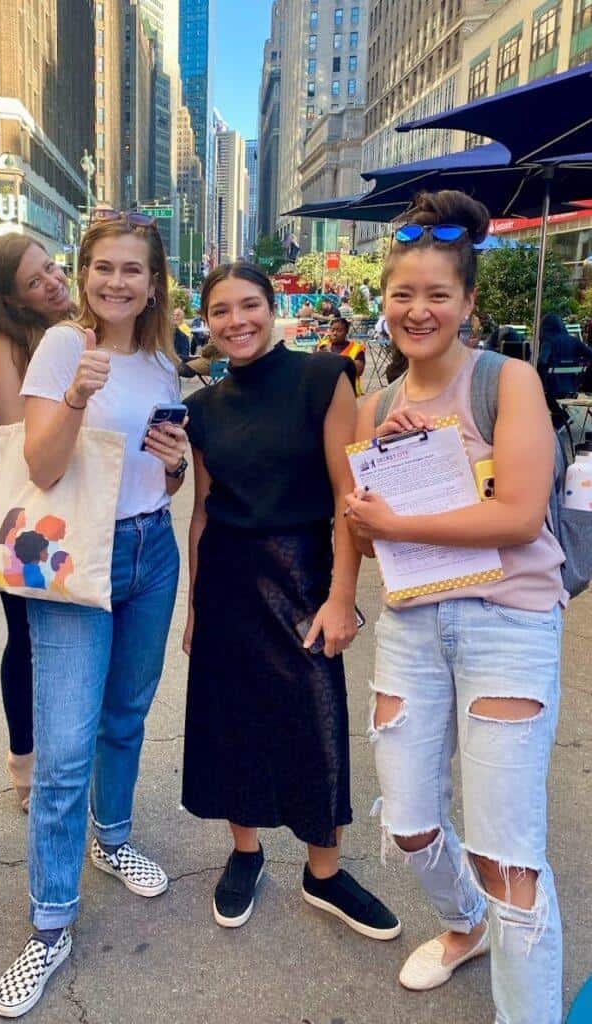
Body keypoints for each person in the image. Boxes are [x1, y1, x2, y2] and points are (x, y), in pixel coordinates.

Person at [346, 190, 566, 1024]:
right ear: (385, 302)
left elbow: (516, 515)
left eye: (437, 294)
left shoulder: (506, 382)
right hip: (411, 626)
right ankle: (460, 923)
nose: (417, 309)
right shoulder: (374, 407)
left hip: (507, 625)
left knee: (505, 852)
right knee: (405, 822)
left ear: (467, 302)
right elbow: (374, 539)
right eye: (403, 293)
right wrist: (369, 526)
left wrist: (398, 518)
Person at [0, 210, 188, 1018]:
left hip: (149, 550)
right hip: (77, 553)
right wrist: (73, 395)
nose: (116, 281)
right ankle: (48, 924)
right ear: (84, 275)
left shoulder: (163, 358)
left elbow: (159, 474)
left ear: (152, 282)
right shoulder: (64, 347)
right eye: (103, 267)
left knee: (125, 717)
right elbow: (40, 463)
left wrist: (174, 471)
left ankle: (110, 840)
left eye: (131, 270)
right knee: (65, 746)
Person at [181, 260, 400, 941]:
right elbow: (200, 511)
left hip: (302, 574)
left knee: (315, 719)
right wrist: (193, 606)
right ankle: (244, 853)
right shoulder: (201, 409)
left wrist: (342, 596)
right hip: (225, 579)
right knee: (230, 722)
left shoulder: (322, 378)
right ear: (208, 323)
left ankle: (323, 872)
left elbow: (347, 497)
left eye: (248, 305)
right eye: (220, 311)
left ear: (272, 310)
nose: (235, 321)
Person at [0, 232, 74, 811]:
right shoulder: (8, 347)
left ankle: (63, 760)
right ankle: (25, 767)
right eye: (33, 282)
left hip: (77, 508)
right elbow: (18, 443)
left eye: (52, 268)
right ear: (11, 299)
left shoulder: (76, 328)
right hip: (31, 517)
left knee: (71, 642)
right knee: (28, 640)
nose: (51, 282)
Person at [537, 312, 592, 415]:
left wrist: (541, 382)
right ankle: (560, 419)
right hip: (572, 387)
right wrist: (581, 376)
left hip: (552, 387)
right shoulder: (574, 341)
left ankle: (561, 418)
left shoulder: (548, 341)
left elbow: (542, 362)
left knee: (536, 395)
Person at [317, 316, 366, 395]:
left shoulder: (357, 348)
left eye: (339, 330)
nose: (335, 333)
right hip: (325, 392)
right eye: (332, 330)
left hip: (348, 392)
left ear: (346, 331)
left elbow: (358, 371)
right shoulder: (323, 346)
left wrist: (331, 357)